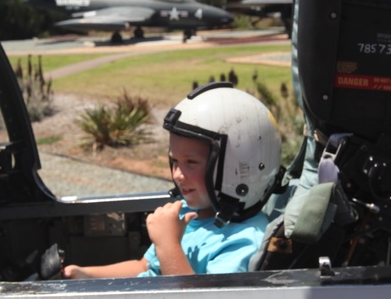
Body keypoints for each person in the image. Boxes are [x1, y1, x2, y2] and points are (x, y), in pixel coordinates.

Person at [63, 82, 283, 278]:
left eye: (191, 162)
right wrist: (84, 274)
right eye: (174, 161)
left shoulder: (242, 241)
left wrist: (168, 245)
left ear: (238, 168)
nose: (177, 174)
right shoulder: (186, 213)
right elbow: (144, 267)